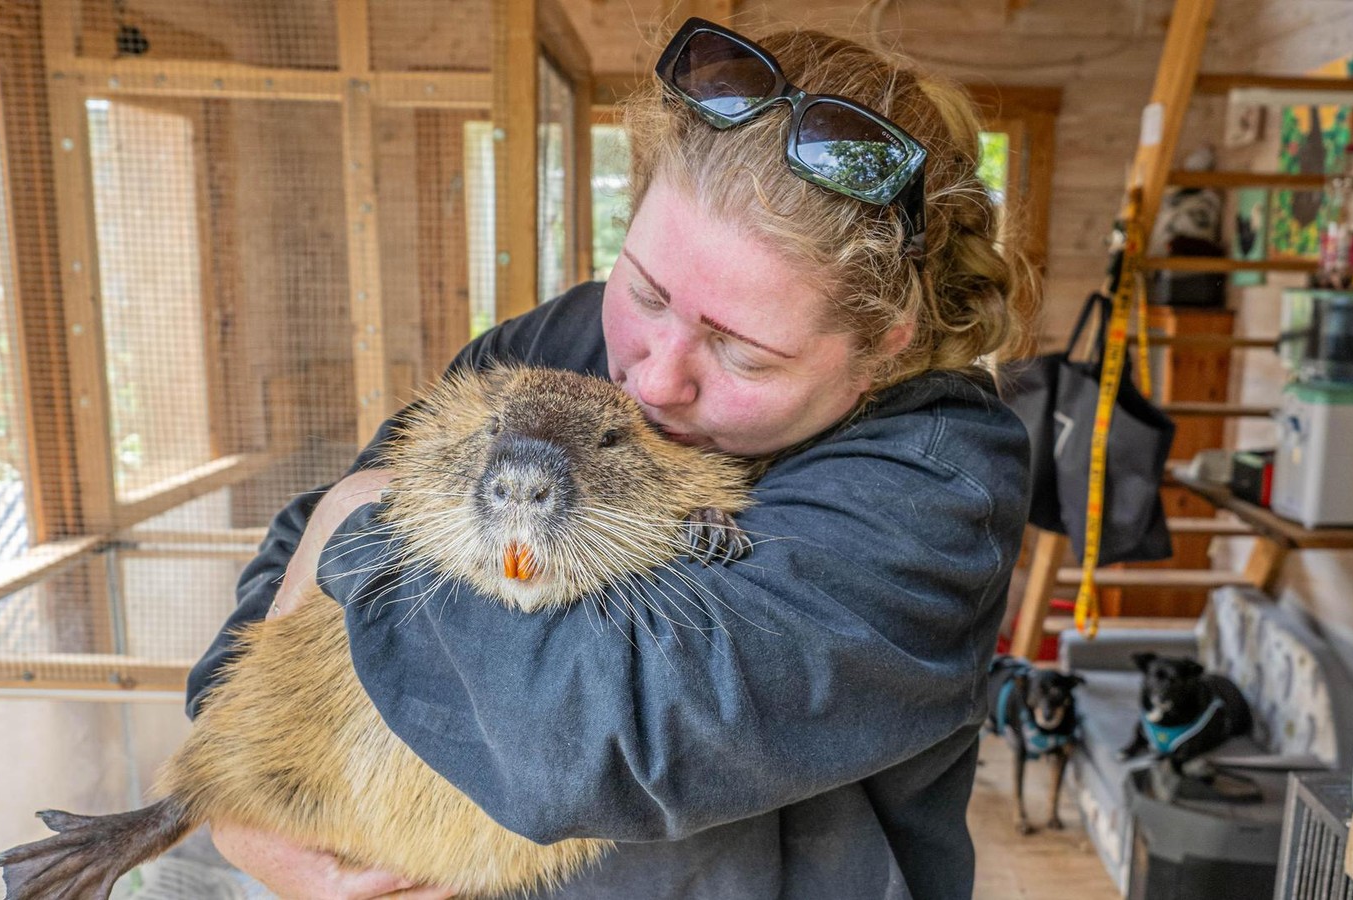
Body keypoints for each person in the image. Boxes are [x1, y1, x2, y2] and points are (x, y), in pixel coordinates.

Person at [189, 18, 1036, 900]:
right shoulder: (558, 344)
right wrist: (237, 783)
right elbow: (299, 550)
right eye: (645, 289)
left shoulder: (937, 486)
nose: (656, 378)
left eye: (742, 351)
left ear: (884, 345)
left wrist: (356, 524)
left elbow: (606, 732)